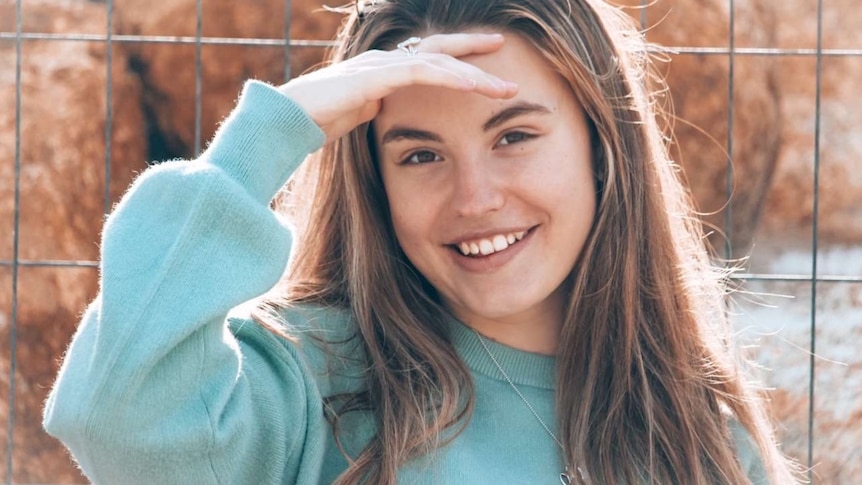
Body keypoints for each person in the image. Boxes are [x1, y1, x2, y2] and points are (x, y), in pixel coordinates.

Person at [43, 0, 800, 483]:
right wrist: (269, 134)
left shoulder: (695, 432)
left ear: (604, 149)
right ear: (377, 182)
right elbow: (116, 417)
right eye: (419, 154)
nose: (474, 199)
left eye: (514, 137)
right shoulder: (307, 386)